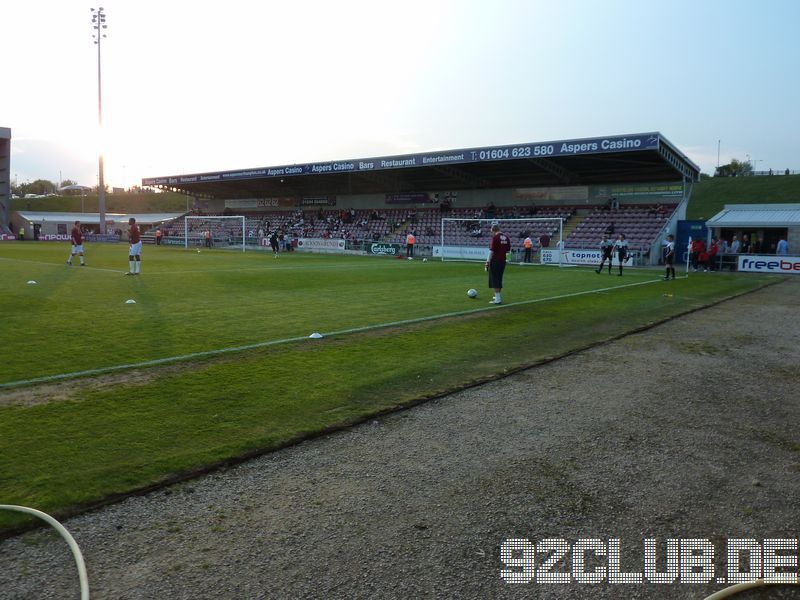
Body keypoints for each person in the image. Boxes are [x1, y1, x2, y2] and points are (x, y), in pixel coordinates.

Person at [485, 223, 511, 305]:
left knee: (495, 279)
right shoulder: (506, 237)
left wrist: (487, 262)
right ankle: (497, 296)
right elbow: (508, 250)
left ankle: (498, 299)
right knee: (499, 278)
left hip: (495, 261)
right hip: (502, 261)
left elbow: (491, 251)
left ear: (493, 230)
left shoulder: (495, 238)